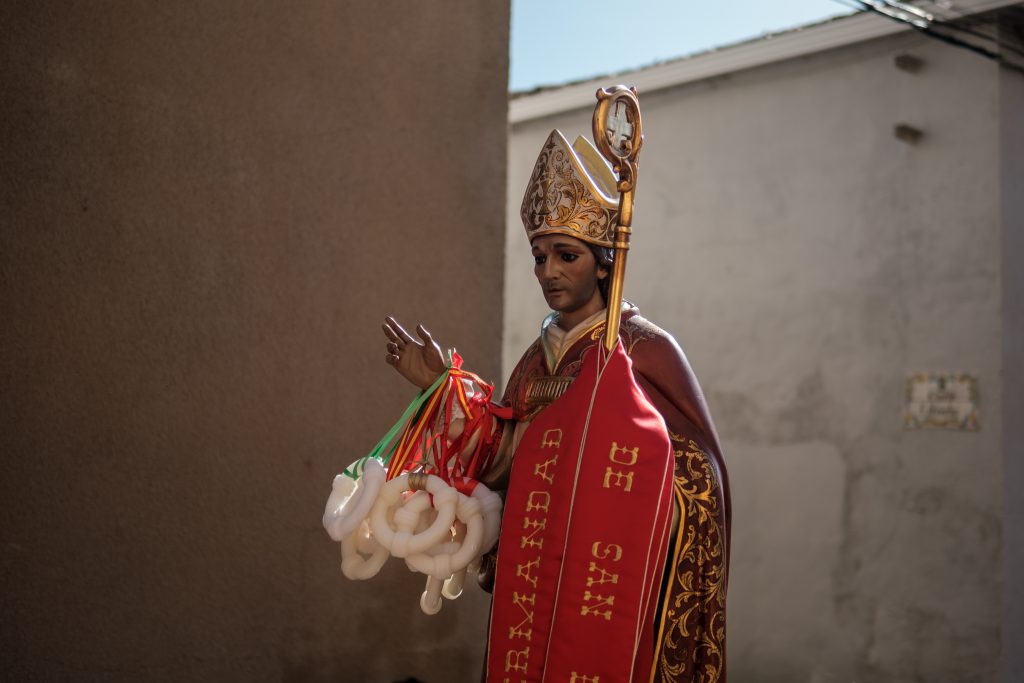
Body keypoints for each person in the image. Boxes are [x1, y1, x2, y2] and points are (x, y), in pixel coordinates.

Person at [382, 126, 730, 682]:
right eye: (538, 256)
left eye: (565, 256)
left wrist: (623, 451)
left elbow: (701, 473)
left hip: (608, 573)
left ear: (602, 262)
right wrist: (442, 391)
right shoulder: (536, 360)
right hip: (537, 565)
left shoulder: (644, 350)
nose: (547, 272)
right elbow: (501, 458)